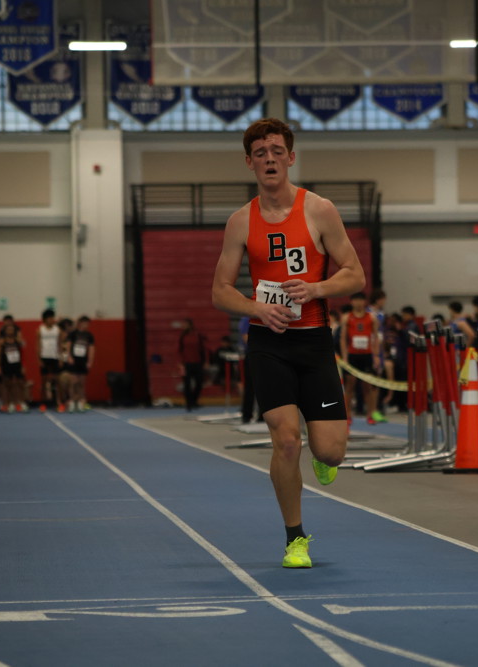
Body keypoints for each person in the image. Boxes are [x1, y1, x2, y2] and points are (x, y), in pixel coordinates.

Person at [211, 117, 365, 569]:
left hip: (313, 341)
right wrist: (257, 309)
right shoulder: (241, 221)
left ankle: (325, 455)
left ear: (291, 157)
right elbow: (220, 291)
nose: (270, 159)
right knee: (285, 441)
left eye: (277, 151)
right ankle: (295, 538)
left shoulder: (319, 210)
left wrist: (316, 288)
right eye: (260, 153)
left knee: (330, 449)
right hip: (269, 343)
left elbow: (355, 274)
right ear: (249, 163)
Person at [340, 292, 381, 425]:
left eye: (361, 300)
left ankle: (370, 414)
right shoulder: (347, 318)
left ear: (364, 302)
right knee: (349, 387)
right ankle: (348, 415)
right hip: (352, 355)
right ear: (352, 302)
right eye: (355, 300)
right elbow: (343, 339)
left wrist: (376, 356)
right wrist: (345, 357)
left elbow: (375, 337)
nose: (358, 303)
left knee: (368, 387)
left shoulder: (371, 317)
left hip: (367, 355)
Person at [0, 321, 27, 412]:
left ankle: (19, 402)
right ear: (5, 331)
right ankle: (7, 403)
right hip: (6, 364)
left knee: (19, 383)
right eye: (8, 329)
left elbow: (22, 353)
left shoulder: (18, 341)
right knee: (6, 384)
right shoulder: (1, 342)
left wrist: (23, 365)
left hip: (17, 364)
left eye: (12, 329)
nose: (10, 331)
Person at [177, 318, 207, 412]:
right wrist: (180, 363)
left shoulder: (197, 335)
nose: (184, 326)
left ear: (190, 325)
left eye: (186, 324)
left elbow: (203, 349)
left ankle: (194, 400)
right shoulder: (182, 336)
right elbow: (179, 350)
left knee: (199, 383)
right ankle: (189, 403)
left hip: (197, 362)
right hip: (186, 363)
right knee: (187, 384)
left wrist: (205, 361)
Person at [67, 316, 95, 412]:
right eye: (84, 323)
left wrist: (90, 361)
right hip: (74, 360)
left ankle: (80, 401)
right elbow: (68, 346)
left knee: (81, 382)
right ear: (80, 323)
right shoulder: (73, 334)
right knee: (73, 382)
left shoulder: (89, 335)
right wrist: (69, 357)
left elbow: (91, 349)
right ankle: (72, 400)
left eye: (87, 324)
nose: (86, 325)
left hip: (83, 361)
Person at [37, 309, 61, 412]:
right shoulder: (40, 330)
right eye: (49, 318)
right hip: (44, 357)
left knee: (56, 380)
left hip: (54, 357)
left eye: (52, 318)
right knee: (44, 381)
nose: (51, 320)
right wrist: (39, 359)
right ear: (45, 319)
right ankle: (43, 403)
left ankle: (58, 402)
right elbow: (38, 345)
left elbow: (59, 344)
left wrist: (60, 357)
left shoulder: (57, 330)